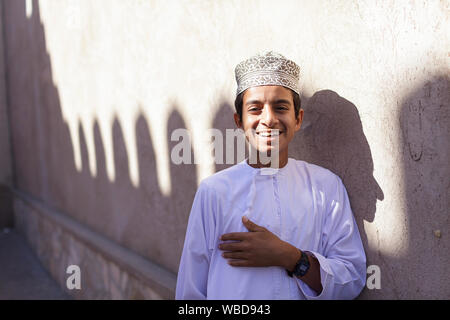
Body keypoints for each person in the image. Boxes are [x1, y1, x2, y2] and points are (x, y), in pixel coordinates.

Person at [175, 51, 366, 299]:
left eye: (280, 107)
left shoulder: (326, 186)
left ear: (297, 119)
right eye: (255, 109)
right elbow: (191, 291)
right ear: (239, 121)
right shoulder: (214, 191)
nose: (269, 119)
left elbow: (352, 276)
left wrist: (290, 257)